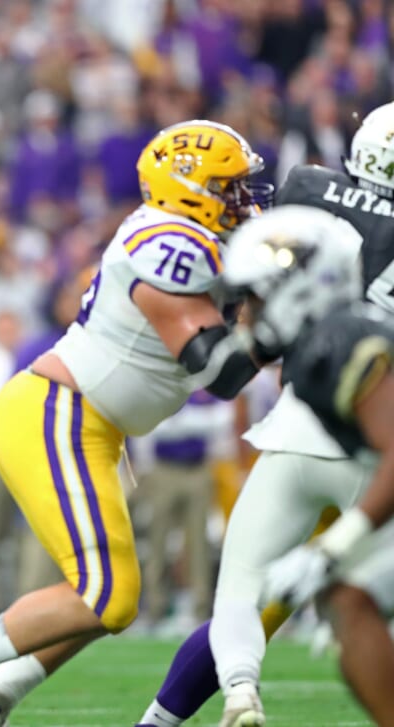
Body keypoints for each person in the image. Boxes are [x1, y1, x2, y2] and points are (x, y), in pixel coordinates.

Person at [0, 119, 274, 727]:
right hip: (56, 412)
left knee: (107, 601)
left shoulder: (199, 241)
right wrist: (285, 324)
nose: (244, 201)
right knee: (105, 591)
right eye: (230, 188)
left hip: (90, 426)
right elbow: (217, 374)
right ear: (188, 189)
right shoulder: (168, 244)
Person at [134, 100, 394, 727]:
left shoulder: (312, 191)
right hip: (377, 430)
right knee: (357, 601)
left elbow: (255, 278)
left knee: (241, 597)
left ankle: (221, 700)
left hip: (301, 419)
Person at [227, 206, 393, 727]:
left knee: (348, 596)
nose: (245, 315)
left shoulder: (336, 344)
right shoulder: (331, 341)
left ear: (297, 291)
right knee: (349, 600)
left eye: (254, 298)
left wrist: (332, 549)